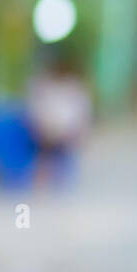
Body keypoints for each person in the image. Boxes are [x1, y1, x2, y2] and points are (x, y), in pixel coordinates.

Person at [24, 54, 92, 189]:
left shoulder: (74, 88)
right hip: (43, 130)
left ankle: (53, 178)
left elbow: (81, 115)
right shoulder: (41, 85)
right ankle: (42, 176)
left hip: (66, 132)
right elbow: (33, 110)